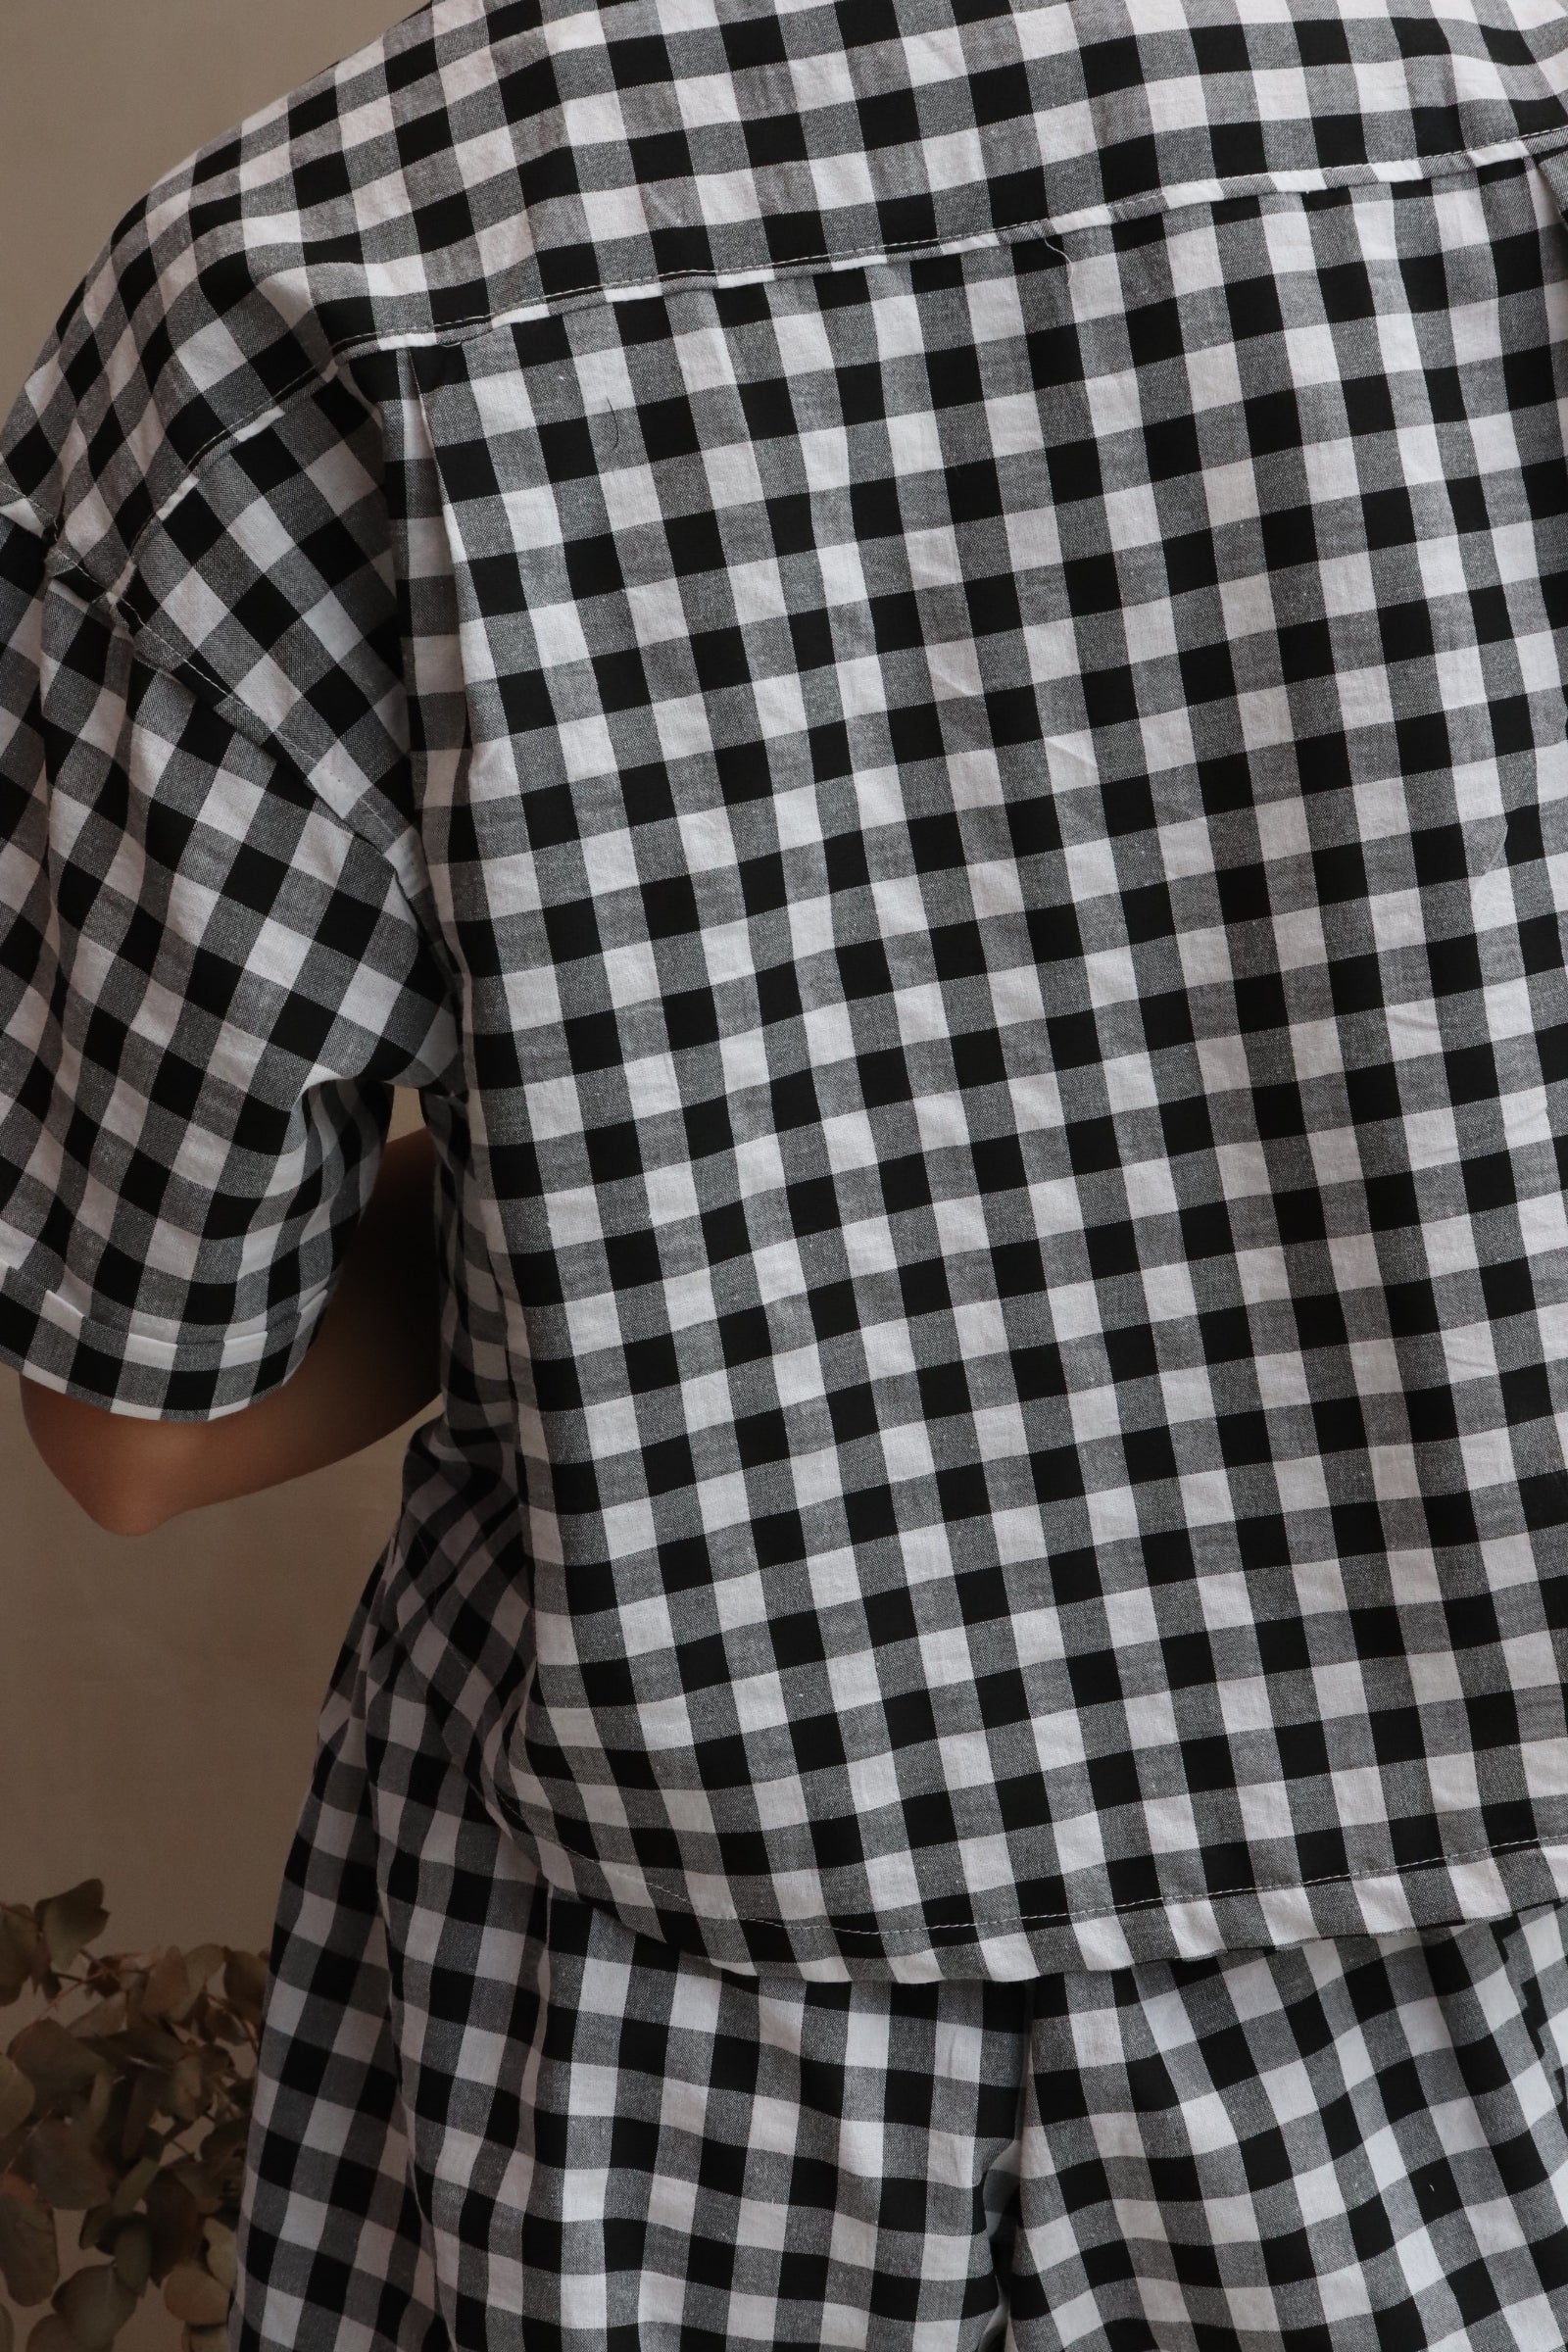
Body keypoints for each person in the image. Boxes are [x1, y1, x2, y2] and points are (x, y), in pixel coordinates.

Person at [6, 0, 1568, 2342]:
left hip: (664, 2103)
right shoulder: (1510, 126)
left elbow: (145, 1423)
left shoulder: (289, 300)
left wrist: (602, 1236)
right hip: (1468, 2048)